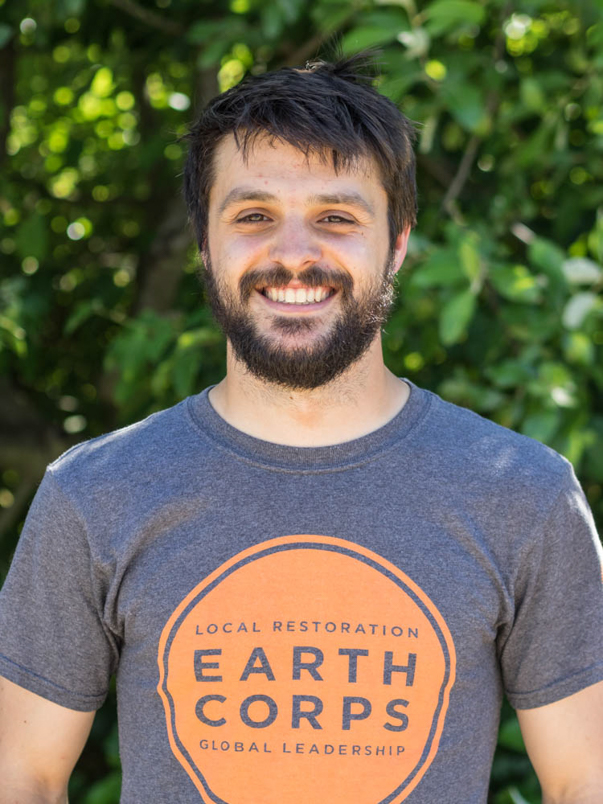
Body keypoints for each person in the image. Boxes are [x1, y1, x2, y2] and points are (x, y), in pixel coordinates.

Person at [0, 54, 602, 804]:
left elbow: (584, 782)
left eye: (336, 218)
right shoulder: (93, 494)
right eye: (253, 216)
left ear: (399, 242)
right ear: (203, 239)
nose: (292, 255)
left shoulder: (523, 494)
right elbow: (25, 778)